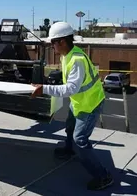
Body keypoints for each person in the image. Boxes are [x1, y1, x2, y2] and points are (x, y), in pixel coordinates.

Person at [31, 22, 113, 191]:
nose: (52, 46)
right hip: (79, 102)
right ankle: (69, 150)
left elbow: (71, 88)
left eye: (53, 42)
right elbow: (70, 81)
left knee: (80, 139)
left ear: (62, 42)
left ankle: (103, 176)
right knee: (69, 126)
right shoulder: (67, 56)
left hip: (90, 104)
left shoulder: (77, 60)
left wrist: (44, 89)